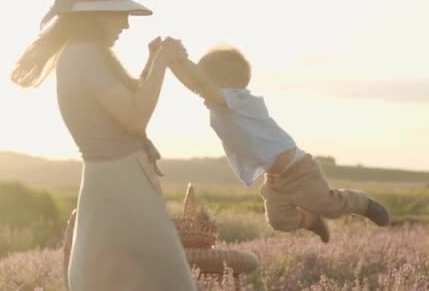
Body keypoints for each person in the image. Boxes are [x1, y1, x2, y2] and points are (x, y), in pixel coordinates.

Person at [10, 0, 196, 291]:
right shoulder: (84, 55)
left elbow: (124, 106)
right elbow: (135, 117)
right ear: (98, 14)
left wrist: (151, 64)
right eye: (121, 14)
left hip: (117, 183)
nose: (126, 24)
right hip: (120, 187)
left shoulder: (86, 54)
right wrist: (163, 61)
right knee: (162, 279)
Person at [167, 44, 391, 243]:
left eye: (207, 81)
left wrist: (182, 60)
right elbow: (195, 84)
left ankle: (363, 204)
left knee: (329, 206)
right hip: (275, 178)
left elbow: (201, 85)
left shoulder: (241, 100)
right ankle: (311, 221)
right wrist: (168, 61)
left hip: (299, 170)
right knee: (279, 220)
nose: (201, 93)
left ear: (223, 82)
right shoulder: (220, 103)